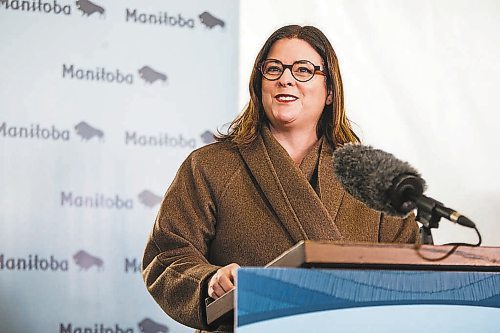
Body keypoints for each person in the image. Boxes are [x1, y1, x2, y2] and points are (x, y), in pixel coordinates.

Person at [141, 25, 418, 333]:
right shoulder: (210, 165)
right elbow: (166, 254)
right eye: (273, 69)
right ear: (260, 84)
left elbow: (409, 269)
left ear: (330, 92)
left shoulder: (371, 176)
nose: (285, 78)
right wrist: (208, 280)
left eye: (304, 70)